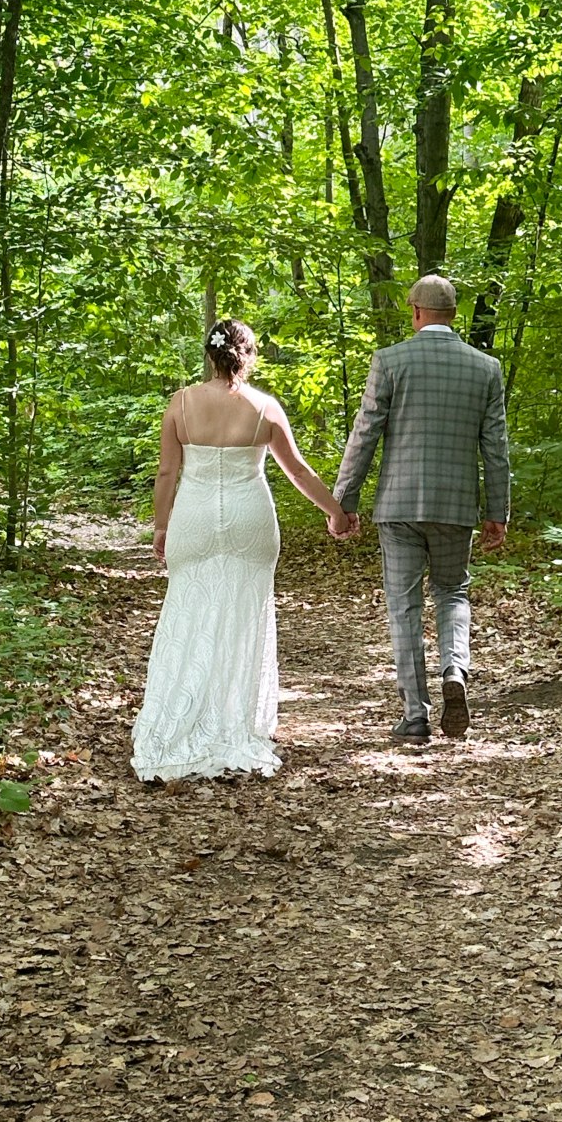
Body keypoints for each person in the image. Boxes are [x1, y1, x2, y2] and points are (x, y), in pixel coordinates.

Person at [132, 318, 350, 781]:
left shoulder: (182, 403)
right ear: (247, 356)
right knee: (243, 615)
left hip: (193, 518)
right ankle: (234, 719)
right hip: (251, 519)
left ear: (209, 355)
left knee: (189, 611)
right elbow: (298, 471)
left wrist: (161, 527)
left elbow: (167, 474)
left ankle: (183, 717)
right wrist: (334, 511)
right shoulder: (264, 407)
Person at [334, 274, 510, 742]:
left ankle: (416, 716)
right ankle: (455, 670)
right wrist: (498, 510)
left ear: (415, 313)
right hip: (456, 506)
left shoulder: (391, 361)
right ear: (453, 315)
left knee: (403, 607)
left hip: (399, 505)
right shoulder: (485, 367)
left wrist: (343, 500)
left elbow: (365, 434)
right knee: (452, 592)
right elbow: (496, 448)